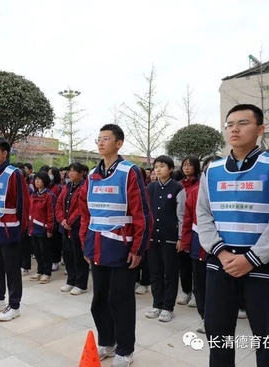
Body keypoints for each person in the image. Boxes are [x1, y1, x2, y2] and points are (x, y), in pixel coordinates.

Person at [197, 104, 269, 367]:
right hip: (220, 265)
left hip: (264, 267)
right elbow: (204, 215)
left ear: (260, 129)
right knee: (218, 338)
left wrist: (251, 258)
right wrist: (220, 252)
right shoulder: (212, 170)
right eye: (230, 124)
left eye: (242, 123)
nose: (234, 128)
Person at [79, 124, 152, 367]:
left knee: (119, 300)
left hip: (122, 248)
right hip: (97, 247)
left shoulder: (130, 172)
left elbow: (142, 213)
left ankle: (125, 349)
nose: (100, 143)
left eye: (106, 139)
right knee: (99, 299)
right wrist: (86, 245)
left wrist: (138, 249)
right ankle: (107, 342)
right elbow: (85, 214)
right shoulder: (91, 175)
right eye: (98, 138)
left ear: (119, 143)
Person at [0, 138, 30, 321]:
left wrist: (21, 230)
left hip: (9, 230)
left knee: (12, 269)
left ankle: (14, 305)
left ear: (5, 153)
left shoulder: (14, 173)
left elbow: (23, 203)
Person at [181, 156, 220, 335]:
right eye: (207, 168)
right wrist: (187, 241)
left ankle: (220, 317)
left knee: (219, 286)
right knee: (200, 285)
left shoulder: (228, 190)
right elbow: (188, 219)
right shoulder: (195, 192)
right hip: (199, 245)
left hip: (223, 248)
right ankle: (205, 318)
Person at [145, 155, 185, 323]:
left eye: (162, 166)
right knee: (155, 273)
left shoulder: (178, 188)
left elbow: (182, 215)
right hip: (153, 238)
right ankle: (157, 304)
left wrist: (181, 237)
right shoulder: (151, 187)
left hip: (170, 238)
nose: (158, 169)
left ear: (170, 169)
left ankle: (168, 307)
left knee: (170, 274)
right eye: (156, 166)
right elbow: (145, 213)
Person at [56, 162, 89, 295]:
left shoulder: (84, 187)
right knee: (68, 255)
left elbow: (82, 209)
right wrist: (62, 220)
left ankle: (81, 283)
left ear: (82, 173)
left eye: (74, 171)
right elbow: (58, 204)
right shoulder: (67, 187)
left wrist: (70, 222)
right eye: (69, 171)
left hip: (78, 227)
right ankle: (71, 280)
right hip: (65, 227)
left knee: (79, 256)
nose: (70, 173)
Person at [177, 156, 201, 307]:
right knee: (183, 264)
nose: (186, 167)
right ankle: (187, 292)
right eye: (184, 165)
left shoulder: (200, 185)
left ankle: (197, 294)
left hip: (197, 228)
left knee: (196, 267)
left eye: (190, 165)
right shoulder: (178, 185)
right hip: (182, 227)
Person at [28, 170, 56, 284]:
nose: (37, 182)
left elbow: (51, 214)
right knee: (37, 251)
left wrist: (50, 229)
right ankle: (40, 271)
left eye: (39, 180)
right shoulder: (33, 194)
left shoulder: (49, 196)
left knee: (45, 252)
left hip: (43, 229)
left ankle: (47, 273)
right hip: (33, 227)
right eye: (36, 179)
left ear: (45, 181)